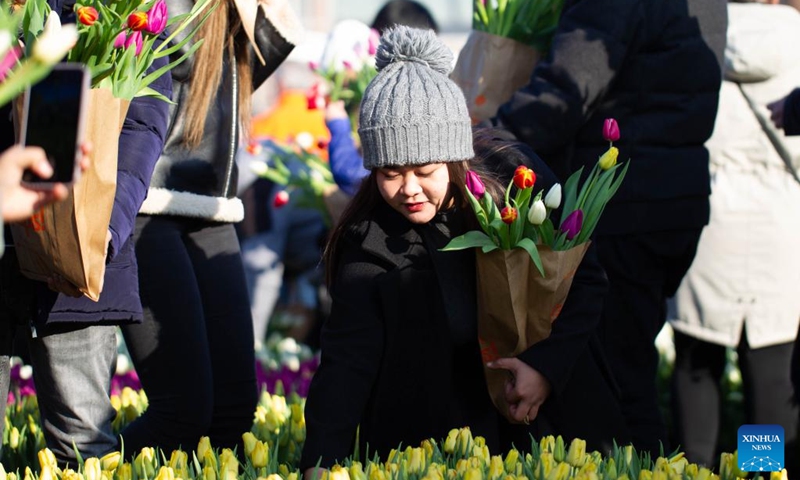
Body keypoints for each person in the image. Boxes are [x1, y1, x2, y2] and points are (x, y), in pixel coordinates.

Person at [300, 26, 629, 476]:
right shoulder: (370, 238)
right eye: (389, 172)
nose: (408, 189)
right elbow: (346, 363)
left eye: (425, 170)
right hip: (436, 445)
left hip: (553, 422)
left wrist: (545, 370)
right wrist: (320, 463)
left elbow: (586, 280)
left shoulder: (516, 183)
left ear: (455, 156)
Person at [487, 0, 728, 455]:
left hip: (624, 205)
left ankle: (643, 465)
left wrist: (482, 144)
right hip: (677, 200)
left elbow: (563, 92)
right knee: (637, 364)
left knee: (614, 379)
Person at [119, 0, 302, 455]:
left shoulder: (225, 13)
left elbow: (227, 94)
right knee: (182, 411)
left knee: (234, 412)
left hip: (211, 204)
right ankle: (88, 468)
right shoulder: (176, 10)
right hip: (148, 203)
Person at [0, 0, 173, 463]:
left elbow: (140, 126)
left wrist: (99, 234)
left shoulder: (124, 9)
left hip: (80, 254)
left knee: (83, 451)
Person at [670, 0, 800, 472]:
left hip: (710, 225)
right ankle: (759, 471)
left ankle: (694, 468)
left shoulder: (701, 31)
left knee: (696, 365)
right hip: (780, 231)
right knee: (768, 372)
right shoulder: (797, 37)